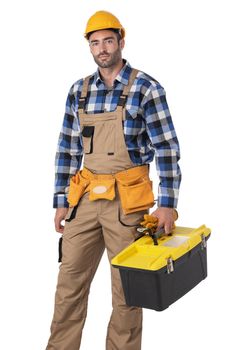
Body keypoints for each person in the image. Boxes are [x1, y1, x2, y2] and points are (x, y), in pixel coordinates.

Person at [46, 10, 181, 350]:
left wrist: (168, 206)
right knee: (68, 284)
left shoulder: (146, 88)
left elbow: (166, 148)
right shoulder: (79, 90)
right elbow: (66, 148)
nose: (102, 48)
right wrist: (61, 201)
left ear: (121, 41)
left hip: (128, 203)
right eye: (95, 43)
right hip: (86, 198)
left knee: (127, 291)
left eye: (108, 40)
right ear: (89, 48)